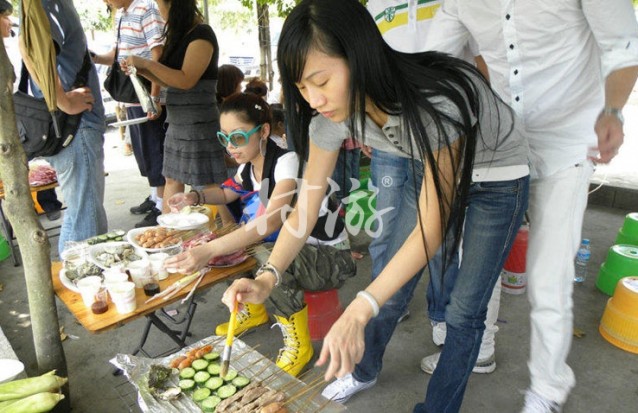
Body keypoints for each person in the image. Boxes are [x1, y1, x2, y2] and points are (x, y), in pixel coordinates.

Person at [221, 1, 529, 412]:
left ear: (360, 55)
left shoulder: (434, 101)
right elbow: (305, 209)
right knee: (389, 279)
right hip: (429, 159)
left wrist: (359, 308)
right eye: (301, 87)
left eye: (322, 80)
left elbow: (429, 231)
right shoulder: (329, 119)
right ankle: (363, 371)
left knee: (465, 311)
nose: (314, 99)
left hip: (497, 177)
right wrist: (268, 277)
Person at [423, 1, 638, 411]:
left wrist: (613, 111)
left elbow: (624, 44)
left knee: (547, 277)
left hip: (568, 141)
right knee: (475, 268)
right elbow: (433, 62)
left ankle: (547, 389)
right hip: (500, 144)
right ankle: (476, 351)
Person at [164, 93, 356, 376]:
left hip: (332, 259)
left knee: (256, 251)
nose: (231, 147)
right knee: (230, 246)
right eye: (224, 138)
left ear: (264, 131)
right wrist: (194, 196)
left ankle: (299, 346)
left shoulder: (287, 162)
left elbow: (271, 221)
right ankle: (253, 312)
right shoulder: (249, 165)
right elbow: (228, 190)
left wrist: (208, 250)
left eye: (239, 137)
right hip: (302, 250)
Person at [366, 0, 502, 379]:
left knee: (441, 236)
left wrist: (481, 122)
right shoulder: (375, 5)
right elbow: (373, 66)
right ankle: (387, 300)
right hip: (389, 134)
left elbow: (480, 63)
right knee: (387, 229)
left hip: (443, 134)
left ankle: (441, 314)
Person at [122, 0, 227, 212]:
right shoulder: (176, 36)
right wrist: (140, 70)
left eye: (160, 5)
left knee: (209, 182)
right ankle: (171, 233)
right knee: (172, 179)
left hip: (198, 122)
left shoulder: (202, 34)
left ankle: (229, 229)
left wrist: (147, 64)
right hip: (177, 121)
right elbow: (166, 78)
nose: (159, 13)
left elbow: (186, 79)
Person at [20, 0, 108, 253]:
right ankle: (83, 287)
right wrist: (64, 102)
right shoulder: (49, 3)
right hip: (75, 127)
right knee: (86, 220)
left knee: (82, 214)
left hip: (75, 127)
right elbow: (33, 52)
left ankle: (79, 282)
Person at [94, 0, 166, 227]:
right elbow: (117, 54)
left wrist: (154, 97)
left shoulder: (146, 8)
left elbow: (158, 54)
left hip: (146, 94)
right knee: (144, 153)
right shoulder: (121, 14)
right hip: (130, 95)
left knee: (155, 152)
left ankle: (162, 208)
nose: (106, 2)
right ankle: (155, 197)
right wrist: (93, 57)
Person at [2, 0, 63, 223]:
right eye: (4, 17)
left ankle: (48, 203)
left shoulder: (16, 40)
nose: (9, 21)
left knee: (37, 156)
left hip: (29, 111)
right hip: (15, 118)